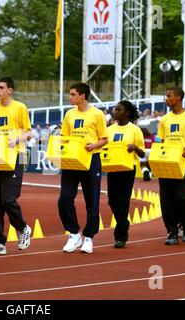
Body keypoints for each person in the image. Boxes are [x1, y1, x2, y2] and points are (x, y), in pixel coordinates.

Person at [0, 76, 32, 256]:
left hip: (15, 156)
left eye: (1, 88)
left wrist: (17, 139)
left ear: (10, 90)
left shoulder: (19, 108)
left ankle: (22, 228)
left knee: (8, 199)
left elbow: (29, 131)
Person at [58, 82, 108, 254]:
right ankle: (73, 233)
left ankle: (89, 238)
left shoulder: (97, 114)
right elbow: (64, 136)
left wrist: (94, 145)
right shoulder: (69, 114)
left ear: (82, 96)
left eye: (72, 94)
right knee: (64, 198)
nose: (69, 97)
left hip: (91, 159)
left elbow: (104, 139)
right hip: (72, 160)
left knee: (92, 200)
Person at [157, 87, 185, 245]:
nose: (166, 99)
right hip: (166, 163)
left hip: (182, 163)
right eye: (166, 96)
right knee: (166, 200)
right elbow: (161, 142)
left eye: (169, 96)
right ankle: (172, 232)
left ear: (179, 98)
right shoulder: (165, 119)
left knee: (182, 197)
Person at [106, 100, 145, 248]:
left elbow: (142, 154)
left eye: (118, 110)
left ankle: (120, 235)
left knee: (123, 201)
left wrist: (134, 147)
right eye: (115, 110)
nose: (115, 112)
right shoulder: (109, 129)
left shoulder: (134, 130)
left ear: (127, 113)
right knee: (112, 201)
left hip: (128, 170)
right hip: (112, 168)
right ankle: (124, 221)